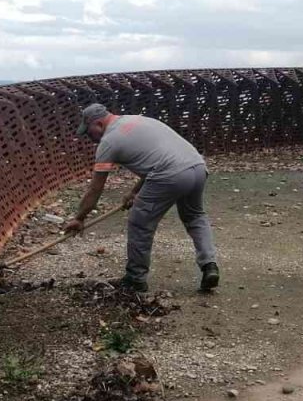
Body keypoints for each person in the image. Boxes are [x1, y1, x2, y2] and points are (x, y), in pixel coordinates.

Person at [64, 103, 219, 293]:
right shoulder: (137, 119)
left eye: (88, 133)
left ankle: (135, 279)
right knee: (195, 217)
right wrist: (135, 192)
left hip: (170, 174)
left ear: (98, 124)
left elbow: (95, 189)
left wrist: (79, 218)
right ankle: (209, 265)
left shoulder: (108, 142)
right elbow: (156, 159)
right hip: (197, 167)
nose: (90, 138)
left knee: (140, 223)